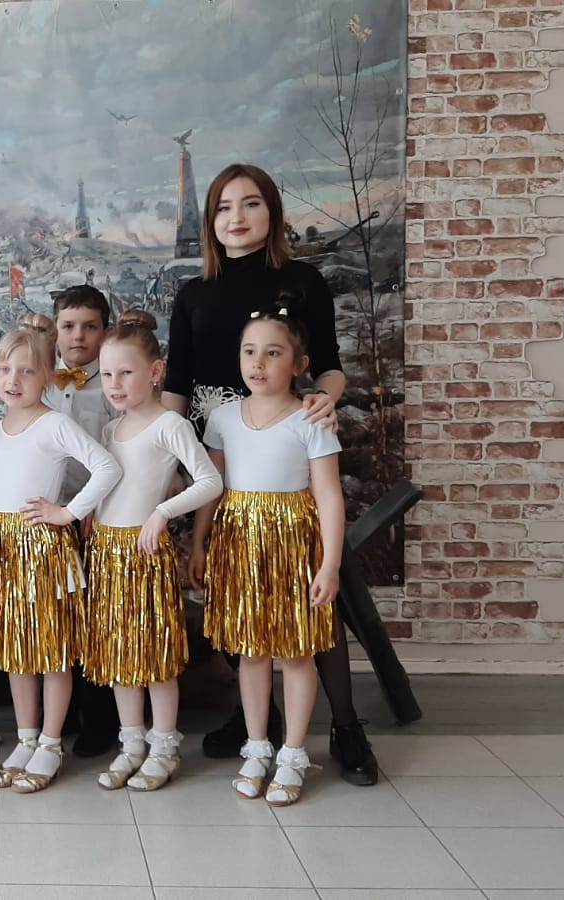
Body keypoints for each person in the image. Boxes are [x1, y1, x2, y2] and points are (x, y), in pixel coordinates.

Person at [161, 162, 377, 786]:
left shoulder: (302, 281)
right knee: (237, 594)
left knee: (312, 604)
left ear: (272, 212)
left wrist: (325, 398)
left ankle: (345, 726)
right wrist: (167, 459)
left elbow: (329, 365)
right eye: (224, 207)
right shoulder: (193, 293)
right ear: (210, 220)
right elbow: (177, 387)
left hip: (288, 443)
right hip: (216, 452)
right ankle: (258, 721)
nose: (237, 217)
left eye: (250, 203)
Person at [190, 306, 346, 808]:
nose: (258, 363)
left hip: (292, 547)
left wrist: (329, 564)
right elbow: (211, 486)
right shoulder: (223, 418)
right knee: (251, 651)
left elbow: (329, 496)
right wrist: (199, 542)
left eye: (273, 353)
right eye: (249, 351)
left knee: (296, 651)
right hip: (237, 545)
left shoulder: (311, 419)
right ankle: (257, 747)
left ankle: (294, 753)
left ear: (299, 364)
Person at [0, 327, 121, 794]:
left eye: (27, 371)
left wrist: (68, 512)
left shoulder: (54, 425)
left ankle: (51, 742)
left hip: (42, 549)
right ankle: (26, 738)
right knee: (17, 648)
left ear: (47, 375)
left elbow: (107, 467)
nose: (13, 379)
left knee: (51, 649)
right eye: (5, 369)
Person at [84, 311, 222, 791]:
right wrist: (92, 511)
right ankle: (132, 744)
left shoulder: (169, 424)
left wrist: (163, 512)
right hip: (107, 554)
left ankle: (164, 747)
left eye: (126, 372)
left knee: (155, 654)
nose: (115, 384)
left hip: (144, 556)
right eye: (107, 374)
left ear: (155, 371)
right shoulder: (110, 431)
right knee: (120, 652)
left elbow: (210, 481)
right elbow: (109, 483)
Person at [45, 286, 121, 758]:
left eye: (90, 327)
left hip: (96, 515)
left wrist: (97, 505)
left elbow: (120, 452)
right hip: (48, 516)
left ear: (105, 332)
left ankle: (100, 717)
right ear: (55, 330)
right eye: (69, 326)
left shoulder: (112, 386)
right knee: (60, 612)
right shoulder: (41, 381)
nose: (78, 336)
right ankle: (60, 713)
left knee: (95, 614)